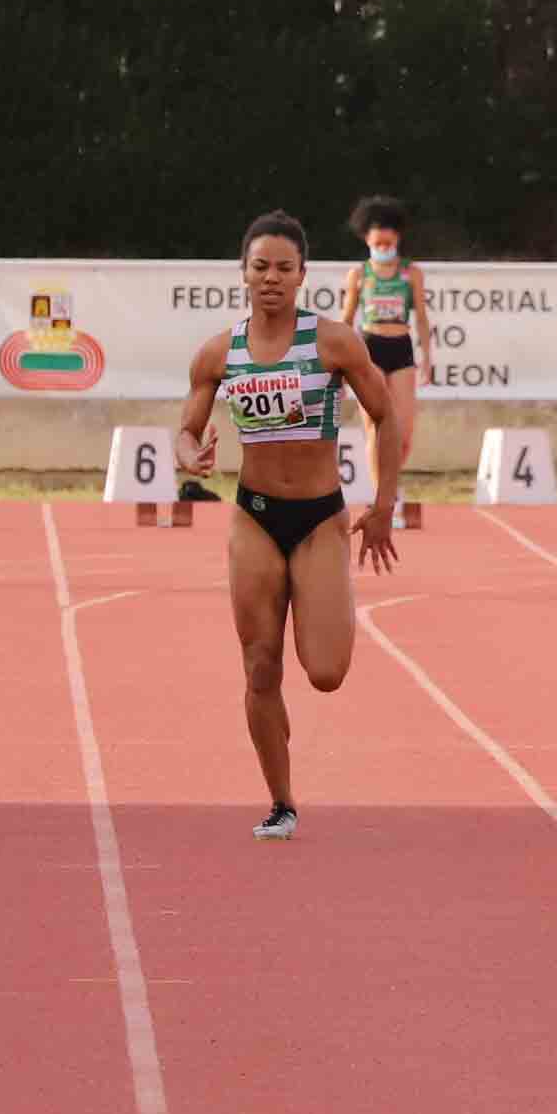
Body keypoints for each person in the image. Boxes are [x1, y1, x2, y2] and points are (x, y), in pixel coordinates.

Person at [173, 213, 406, 841]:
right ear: (243, 274)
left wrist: (383, 504)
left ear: (302, 276)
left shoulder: (334, 343)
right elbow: (187, 429)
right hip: (254, 516)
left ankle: (321, 618)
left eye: (283, 268)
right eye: (260, 267)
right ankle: (281, 801)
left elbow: (386, 418)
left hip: (319, 518)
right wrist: (186, 454)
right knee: (259, 667)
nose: (271, 278)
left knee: (326, 673)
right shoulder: (220, 352)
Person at [343, 192, 431, 505]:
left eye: (388, 239)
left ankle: (389, 483)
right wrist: (340, 367)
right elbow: (346, 319)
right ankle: (385, 499)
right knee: (376, 427)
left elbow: (421, 317)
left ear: (398, 236)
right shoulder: (359, 275)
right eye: (376, 240)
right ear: (366, 238)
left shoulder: (411, 273)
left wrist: (428, 359)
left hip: (402, 349)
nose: (383, 245)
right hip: (370, 348)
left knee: (403, 435)